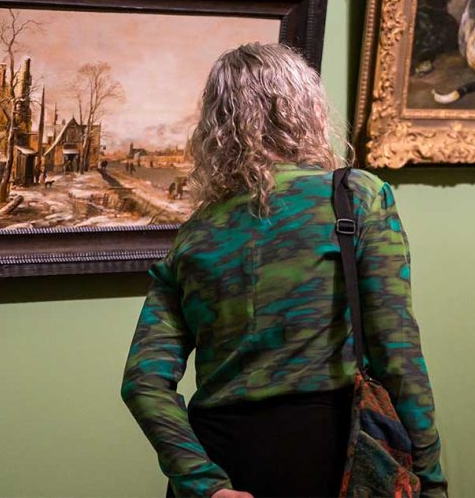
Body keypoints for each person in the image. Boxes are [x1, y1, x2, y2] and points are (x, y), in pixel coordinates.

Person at [121, 43, 446, 498]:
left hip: (220, 456)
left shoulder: (195, 232)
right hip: (327, 457)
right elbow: (399, 356)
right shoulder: (357, 197)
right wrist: (430, 479)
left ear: (217, 126)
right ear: (306, 108)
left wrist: (202, 483)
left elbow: (143, 382)